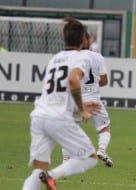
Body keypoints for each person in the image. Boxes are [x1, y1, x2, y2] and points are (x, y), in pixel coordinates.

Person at [22, 17, 100, 190]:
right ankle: (52, 176)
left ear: (65, 39)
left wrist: (80, 108)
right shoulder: (82, 58)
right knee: (89, 158)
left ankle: (45, 175)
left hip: (39, 116)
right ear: (83, 40)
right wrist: (82, 110)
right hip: (57, 118)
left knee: (36, 173)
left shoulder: (54, 59)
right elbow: (73, 80)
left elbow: (57, 93)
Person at [62, 31, 113, 167]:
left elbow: (69, 80)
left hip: (76, 98)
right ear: (85, 40)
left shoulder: (70, 57)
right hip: (93, 99)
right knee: (104, 127)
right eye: (89, 37)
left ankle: (66, 159)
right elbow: (104, 80)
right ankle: (101, 149)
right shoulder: (97, 57)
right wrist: (96, 83)